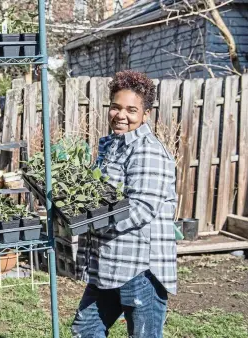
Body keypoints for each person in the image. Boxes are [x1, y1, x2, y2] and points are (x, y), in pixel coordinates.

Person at [71, 70, 177, 338]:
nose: (121, 115)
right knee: (86, 330)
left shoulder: (148, 150)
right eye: (116, 107)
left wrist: (91, 221)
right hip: (108, 263)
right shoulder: (111, 146)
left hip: (140, 268)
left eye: (131, 110)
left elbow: (141, 209)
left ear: (146, 114)